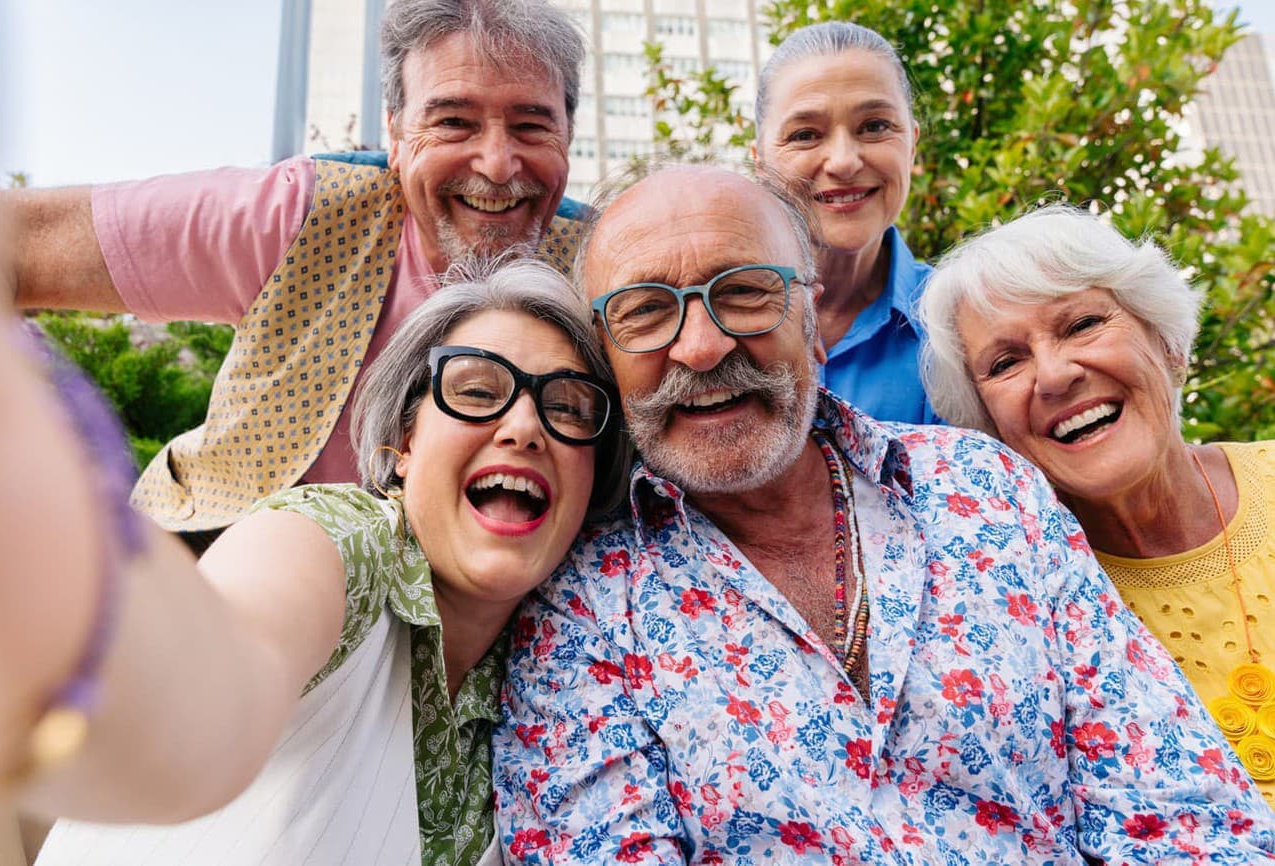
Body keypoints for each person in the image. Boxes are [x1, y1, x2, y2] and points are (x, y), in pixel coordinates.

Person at [493, 165, 1275, 863]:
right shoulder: (580, 603)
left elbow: (1186, 811)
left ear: (812, 319)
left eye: (744, 292)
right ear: (602, 350)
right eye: (644, 312)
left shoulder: (987, 490)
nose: (700, 345)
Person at [0, 258, 627, 865]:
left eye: (569, 407)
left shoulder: (563, 681)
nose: (524, 426)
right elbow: (220, 678)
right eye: (476, 390)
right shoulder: (341, 540)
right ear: (404, 444)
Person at [0, 0, 590, 540]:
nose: (496, 164)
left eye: (531, 127)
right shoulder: (299, 214)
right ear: (396, 136)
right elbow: (20, 240)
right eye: (454, 122)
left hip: (472, 625)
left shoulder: (606, 265)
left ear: (568, 134)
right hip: (213, 560)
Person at [917, 203, 1275, 811]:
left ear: (1166, 343)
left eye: (1081, 325)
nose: (1054, 376)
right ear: (989, 429)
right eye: (1005, 364)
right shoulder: (1015, 613)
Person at [752, 21, 938, 424]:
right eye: (805, 135)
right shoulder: (708, 326)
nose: (843, 161)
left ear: (912, 144)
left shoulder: (963, 323)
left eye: (874, 127)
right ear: (760, 162)